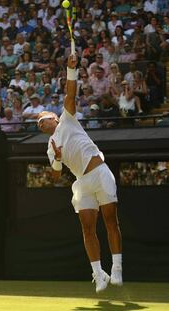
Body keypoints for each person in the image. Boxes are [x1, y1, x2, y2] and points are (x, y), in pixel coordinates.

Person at [37, 55, 123, 293]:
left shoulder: (67, 118)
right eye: (37, 124)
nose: (40, 124)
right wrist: (56, 157)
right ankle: (98, 274)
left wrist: (70, 69)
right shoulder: (49, 146)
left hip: (100, 172)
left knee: (110, 221)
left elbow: (71, 93)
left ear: (53, 118)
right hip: (81, 183)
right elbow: (55, 176)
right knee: (87, 228)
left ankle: (116, 269)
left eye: (42, 119)